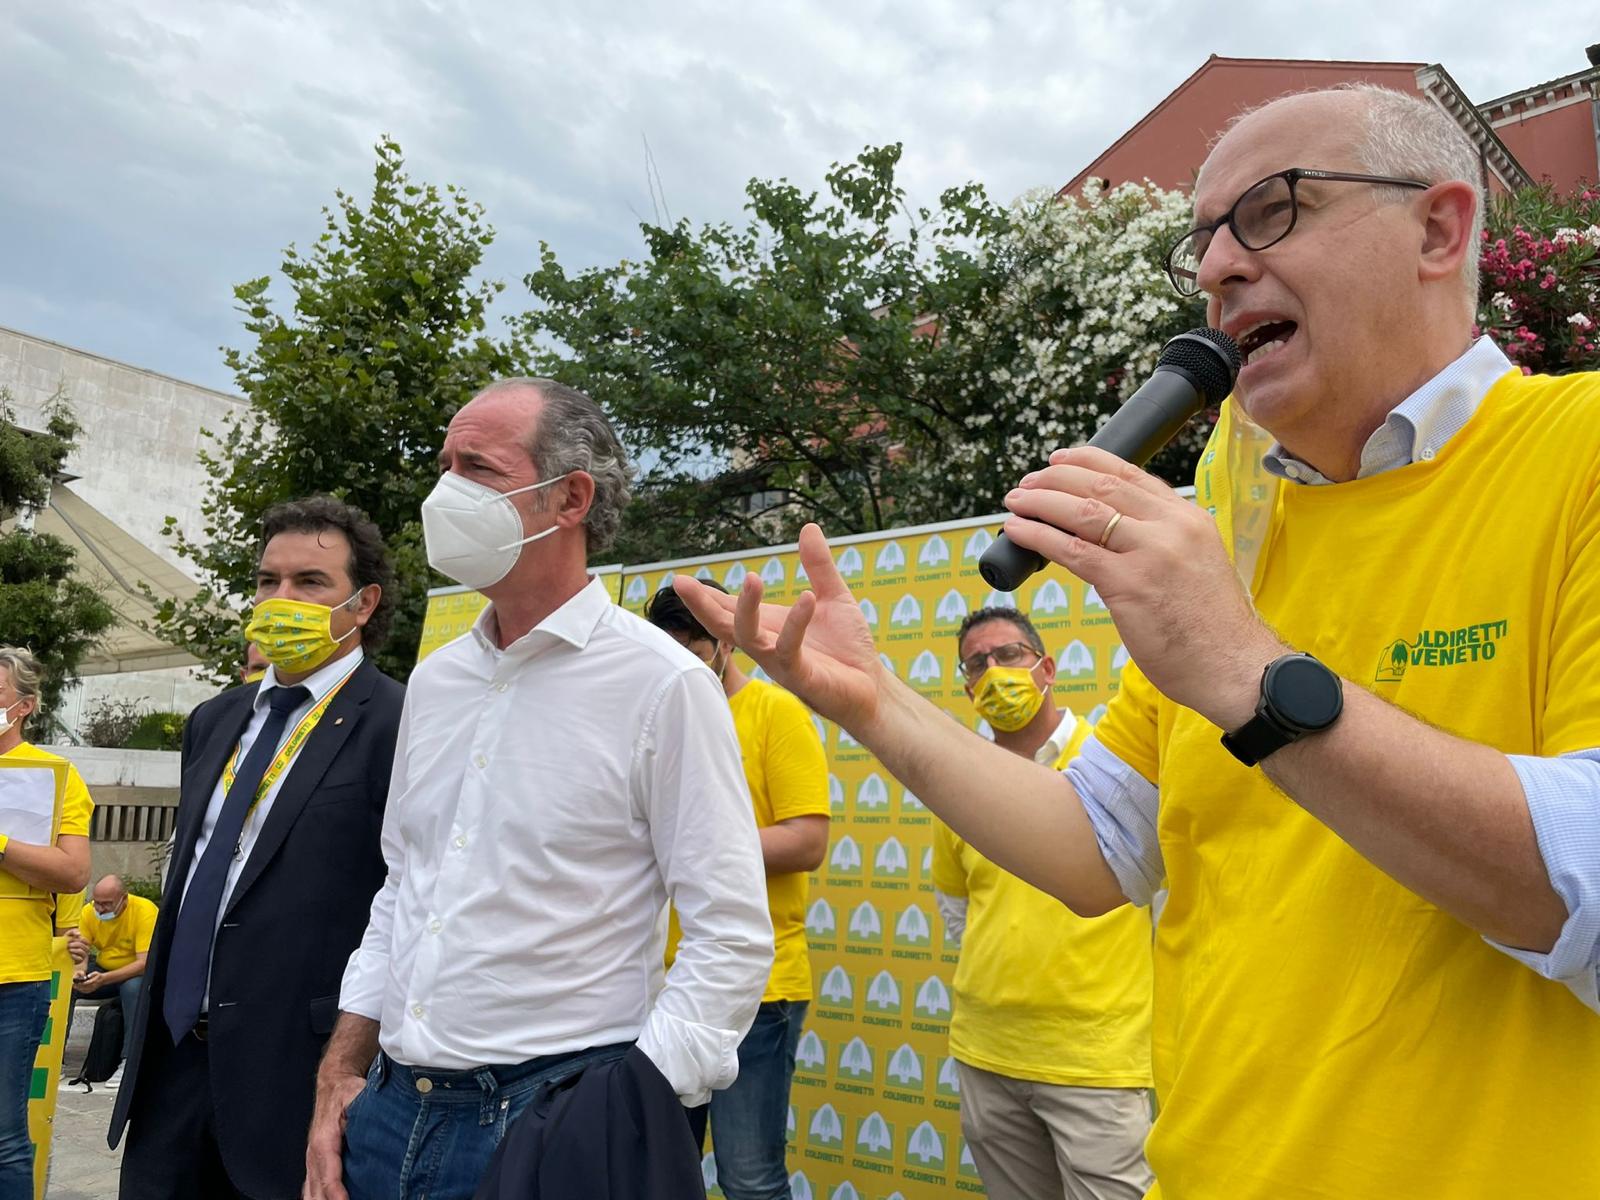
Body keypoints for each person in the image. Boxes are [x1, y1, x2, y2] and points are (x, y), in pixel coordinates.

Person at [676, 84, 1600, 1199]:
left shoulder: (1576, 455)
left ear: (1438, 228)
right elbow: (1092, 848)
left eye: (1271, 211)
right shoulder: (1237, 538)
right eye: (1200, 241)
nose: (1216, 269)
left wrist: (1245, 673)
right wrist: (876, 702)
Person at [307, 379, 772, 1200]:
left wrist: (624, 1107)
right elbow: (404, 889)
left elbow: (728, 933)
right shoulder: (438, 680)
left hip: (550, 1119)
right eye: (444, 464)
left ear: (569, 497)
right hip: (383, 1114)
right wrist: (340, 1072)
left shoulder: (664, 684)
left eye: (476, 467)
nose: (443, 492)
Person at [110, 496, 405, 1200]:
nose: (281, 599)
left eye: (309, 583)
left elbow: (408, 896)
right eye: (268, 581)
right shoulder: (216, 718)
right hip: (173, 1064)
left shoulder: (400, 722)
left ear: (362, 604)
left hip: (296, 1075)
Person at [932, 607, 1152, 1200]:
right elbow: (959, 913)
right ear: (968, 689)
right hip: (987, 1053)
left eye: (1008, 655)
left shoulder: (1108, 764)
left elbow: (1161, 902)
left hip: (1096, 1062)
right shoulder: (961, 785)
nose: (994, 672)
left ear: (1045, 667)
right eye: (977, 665)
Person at [646, 582, 830, 1200]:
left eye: (689, 647)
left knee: (749, 1179)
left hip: (757, 989)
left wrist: (700, 843)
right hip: (656, 986)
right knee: (660, 1173)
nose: (676, 665)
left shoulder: (775, 712)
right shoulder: (656, 720)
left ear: (724, 641)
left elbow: (807, 841)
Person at [0, 646, 93, 1200]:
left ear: (26, 705)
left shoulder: (53, 776)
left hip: (13, 980)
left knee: (4, 1137)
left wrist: (2, 843)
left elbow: (73, 871)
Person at [67, 874, 159, 1089]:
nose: (100, 909)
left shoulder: (144, 911)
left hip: (135, 973)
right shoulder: (89, 912)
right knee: (68, 986)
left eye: (106, 904)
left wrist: (104, 979)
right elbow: (81, 953)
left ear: (123, 899)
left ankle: (128, 1061)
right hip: (104, 969)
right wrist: (80, 974)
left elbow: (144, 963)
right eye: (97, 902)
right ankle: (58, 1055)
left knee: (132, 989)